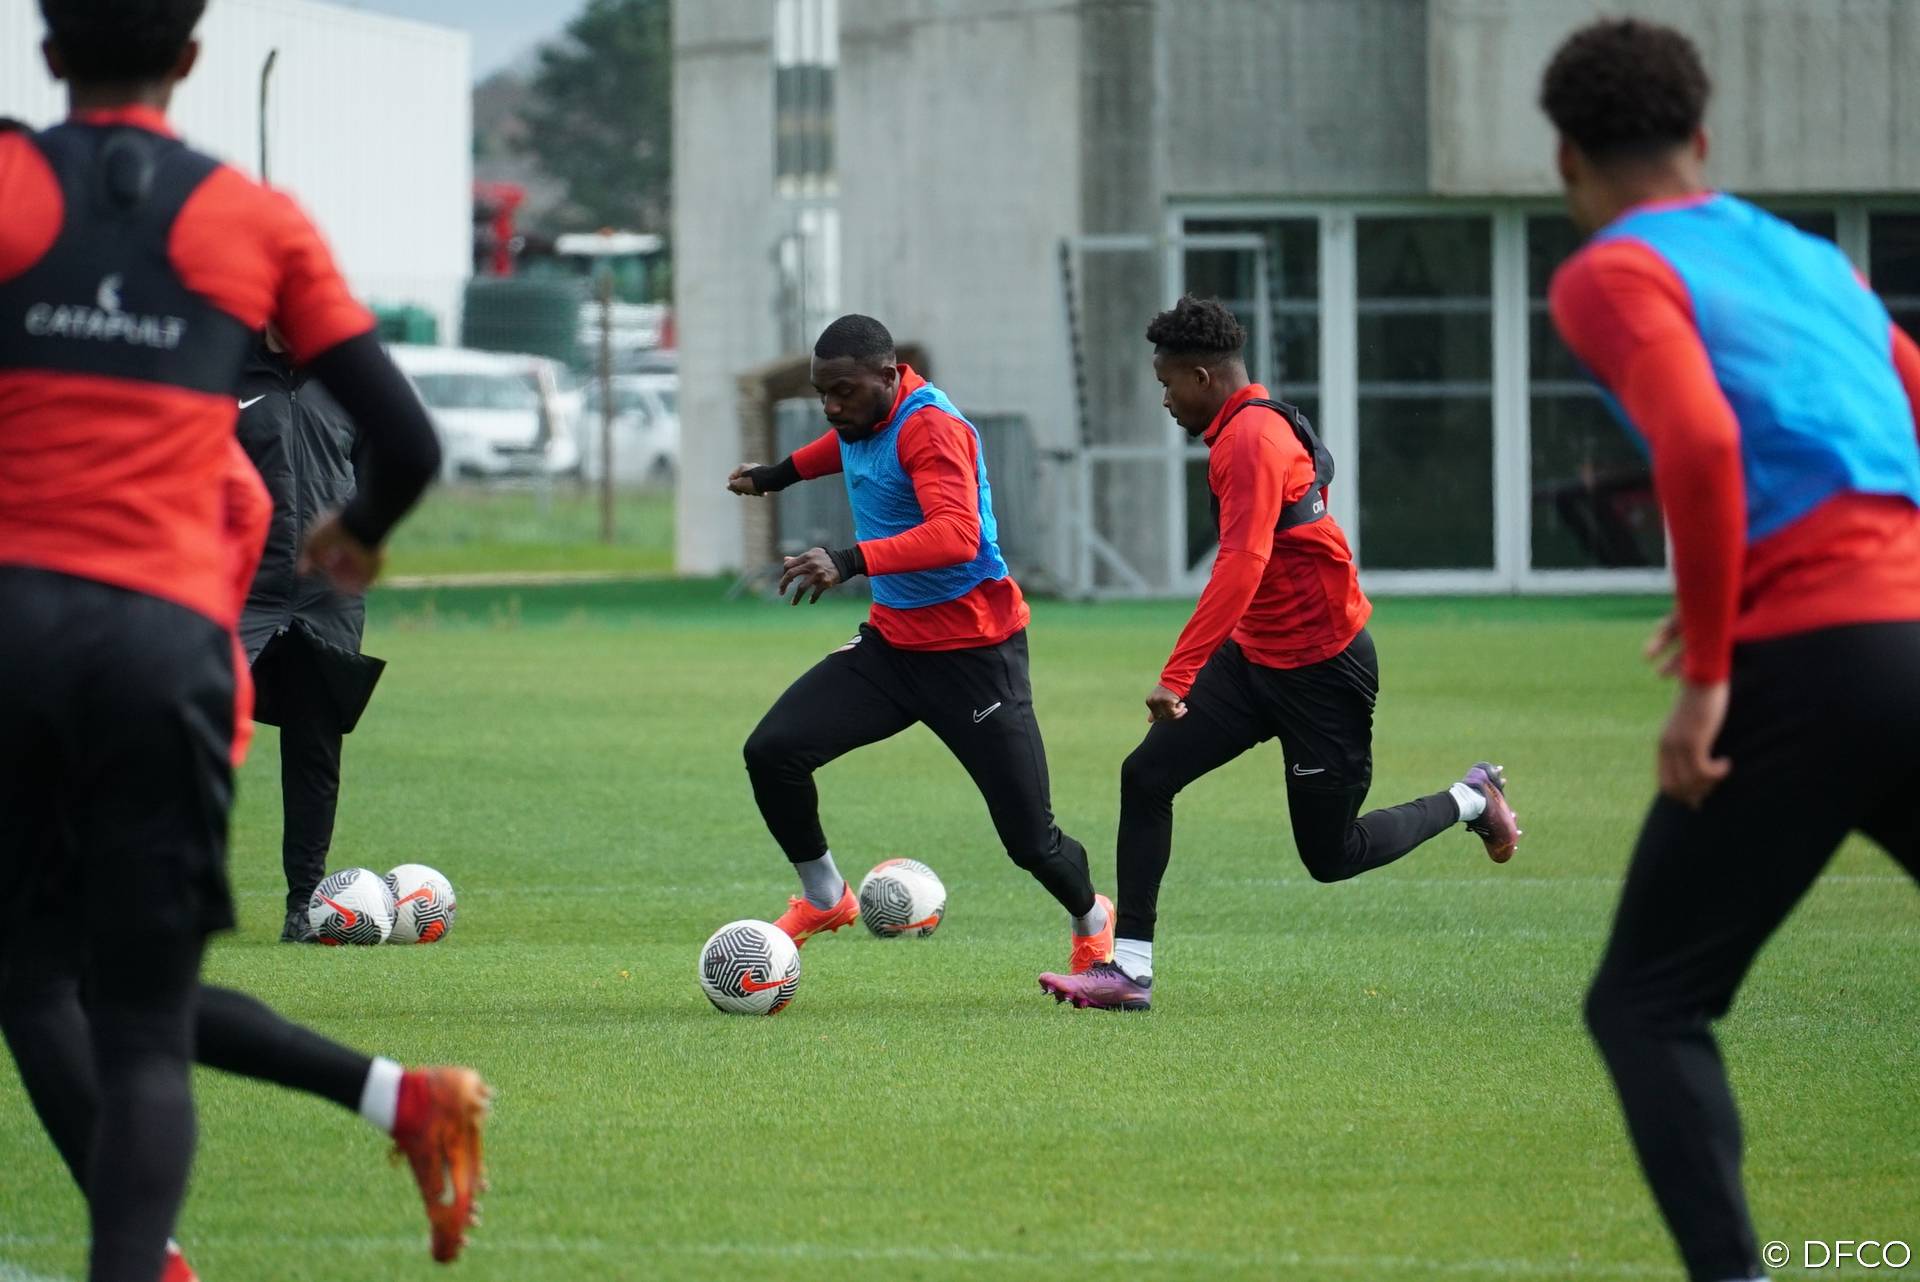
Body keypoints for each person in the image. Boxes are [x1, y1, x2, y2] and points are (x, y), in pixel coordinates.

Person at [0, 3, 485, 1278]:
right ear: (194, 58)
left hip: (17, 632)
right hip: (168, 652)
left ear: (48, 53)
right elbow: (412, 442)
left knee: (37, 981)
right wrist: (360, 535)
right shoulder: (254, 221)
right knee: (141, 1020)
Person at [1539, 19, 1920, 1282]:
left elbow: (1699, 447)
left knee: (1647, 1001)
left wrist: (1712, 675)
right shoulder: (1814, 262)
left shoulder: (1610, 269)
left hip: (1815, 665)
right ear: (1703, 141)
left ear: (1566, 162)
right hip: (1904, 634)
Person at [1037, 296, 1520, 1012]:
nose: (1165, 399)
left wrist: (1178, 676)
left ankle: (1471, 798)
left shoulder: (1251, 441)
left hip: (1325, 672)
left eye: (1169, 383)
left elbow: (1242, 562)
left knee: (1332, 857)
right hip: (1255, 659)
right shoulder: (1257, 423)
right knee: (1146, 777)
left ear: (1203, 376)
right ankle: (1129, 970)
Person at [728, 313, 1115, 976]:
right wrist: (777, 475)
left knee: (1031, 842)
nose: (832, 406)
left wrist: (848, 561)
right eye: (824, 393)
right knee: (772, 752)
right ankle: (825, 897)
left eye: (843, 392)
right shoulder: (862, 418)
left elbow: (956, 535)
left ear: (889, 375)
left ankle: (1093, 917)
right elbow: (843, 448)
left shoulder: (932, 429)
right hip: (893, 651)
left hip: (975, 657)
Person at [235, 328, 387, 942]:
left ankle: (305, 906)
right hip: (237, 593)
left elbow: (381, 476)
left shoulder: (346, 382)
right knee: (181, 738)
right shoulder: (221, 370)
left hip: (325, 598)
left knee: (315, 749)